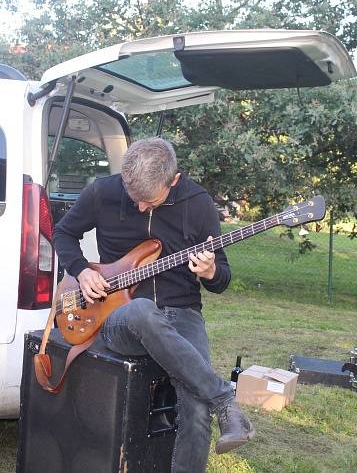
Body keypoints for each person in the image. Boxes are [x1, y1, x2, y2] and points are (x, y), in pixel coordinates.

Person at [53, 137, 255, 473]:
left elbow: (222, 280)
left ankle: (212, 410)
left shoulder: (198, 203)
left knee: (194, 404)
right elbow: (63, 233)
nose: (141, 207)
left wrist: (210, 271)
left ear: (173, 181)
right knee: (142, 310)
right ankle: (225, 400)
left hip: (183, 312)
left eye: (149, 201)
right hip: (119, 316)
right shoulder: (103, 192)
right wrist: (82, 270)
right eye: (134, 200)